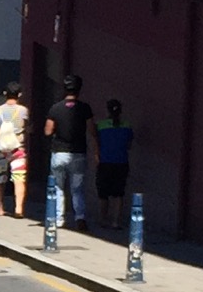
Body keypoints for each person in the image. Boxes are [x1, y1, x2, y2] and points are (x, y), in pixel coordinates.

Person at [43, 72, 93, 228]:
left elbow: (48, 131)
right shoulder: (85, 108)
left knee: (58, 187)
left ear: (64, 89)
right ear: (79, 89)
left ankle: (59, 219)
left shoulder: (55, 108)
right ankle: (80, 217)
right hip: (78, 153)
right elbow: (92, 130)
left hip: (59, 152)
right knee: (77, 188)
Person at [0, 83, 30, 216]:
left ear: (4, 93)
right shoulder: (23, 111)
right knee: (19, 179)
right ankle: (18, 208)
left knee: (0, 179)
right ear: (19, 94)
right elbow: (27, 127)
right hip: (18, 150)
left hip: (1, 151)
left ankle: (0, 208)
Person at [93, 97, 136, 232]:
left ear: (107, 111)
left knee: (103, 193)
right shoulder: (127, 125)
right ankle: (115, 222)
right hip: (121, 162)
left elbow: (97, 142)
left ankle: (102, 219)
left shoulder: (100, 125)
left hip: (105, 162)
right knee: (118, 193)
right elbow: (129, 145)